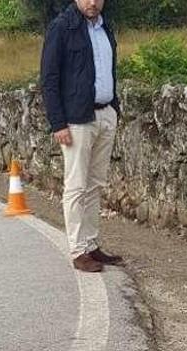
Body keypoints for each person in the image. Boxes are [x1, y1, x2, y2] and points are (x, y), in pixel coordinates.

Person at [40, 0, 122, 273]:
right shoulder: (62, 28)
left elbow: (108, 71)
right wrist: (58, 123)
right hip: (77, 119)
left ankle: (91, 244)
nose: (92, 2)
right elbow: (49, 79)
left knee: (94, 184)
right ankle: (78, 250)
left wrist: (114, 110)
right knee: (76, 185)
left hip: (105, 113)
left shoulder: (105, 28)